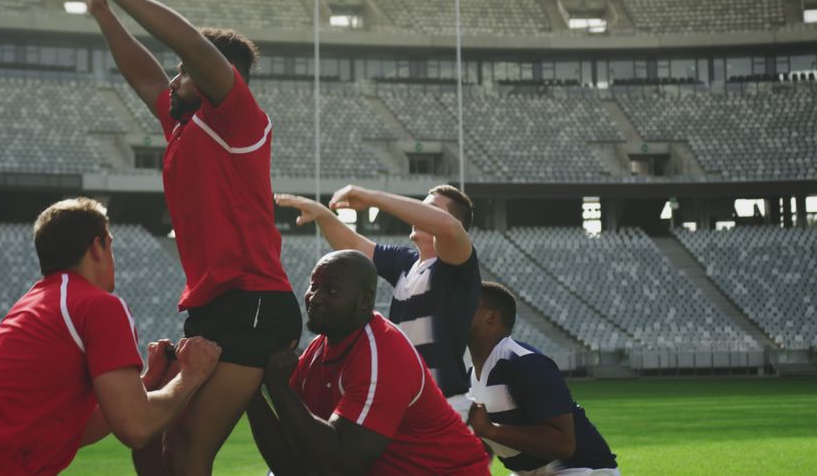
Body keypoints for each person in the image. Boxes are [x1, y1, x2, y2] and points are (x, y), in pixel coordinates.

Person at [68, 0, 301, 475]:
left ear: (219, 78)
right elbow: (145, 73)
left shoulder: (240, 118)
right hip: (214, 303)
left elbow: (191, 47)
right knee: (158, 442)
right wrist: (103, 13)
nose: (173, 78)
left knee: (189, 448)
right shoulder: (186, 125)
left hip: (254, 301)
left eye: (184, 73)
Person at [0, 198, 221, 475]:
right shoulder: (99, 306)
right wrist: (192, 374)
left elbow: (69, 430)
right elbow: (136, 428)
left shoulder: (33, 303)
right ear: (96, 248)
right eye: (110, 247)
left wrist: (144, 385)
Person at [246, 250, 490, 475]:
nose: (315, 298)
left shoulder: (382, 352)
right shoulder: (315, 354)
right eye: (314, 285)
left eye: (331, 291)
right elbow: (289, 466)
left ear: (365, 300)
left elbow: (339, 465)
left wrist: (279, 387)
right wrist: (249, 390)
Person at [275, 184, 481, 419]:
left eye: (428, 209)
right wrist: (322, 214)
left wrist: (373, 197)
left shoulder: (456, 267)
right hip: (405, 406)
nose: (416, 214)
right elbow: (354, 246)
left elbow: (449, 227)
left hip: (447, 408)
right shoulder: (406, 263)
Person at [466, 281, 619, 476]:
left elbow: (564, 444)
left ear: (491, 317)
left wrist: (491, 430)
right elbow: (484, 438)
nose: (453, 310)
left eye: (464, 303)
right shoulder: (471, 374)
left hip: (581, 468)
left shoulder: (525, 362)